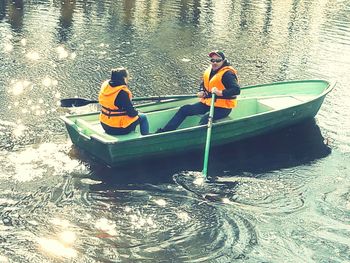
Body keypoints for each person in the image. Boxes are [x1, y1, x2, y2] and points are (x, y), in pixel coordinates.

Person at [157, 50, 240, 133]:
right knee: (184, 109)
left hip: (223, 108)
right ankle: (165, 132)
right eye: (212, 60)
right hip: (208, 103)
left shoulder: (227, 74)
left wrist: (220, 92)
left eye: (218, 61)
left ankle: (194, 138)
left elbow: (236, 90)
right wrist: (201, 91)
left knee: (206, 119)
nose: (214, 63)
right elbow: (203, 84)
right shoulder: (211, 71)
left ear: (223, 61)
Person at [98, 67, 149, 135]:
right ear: (123, 78)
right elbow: (131, 113)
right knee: (143, 117)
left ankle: (133, 133)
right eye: (127, 77)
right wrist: (136, 112)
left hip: (105, 124)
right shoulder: (122, 92)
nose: (128, 79)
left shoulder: (105, 86)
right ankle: (146, 138)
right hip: (118, 128)